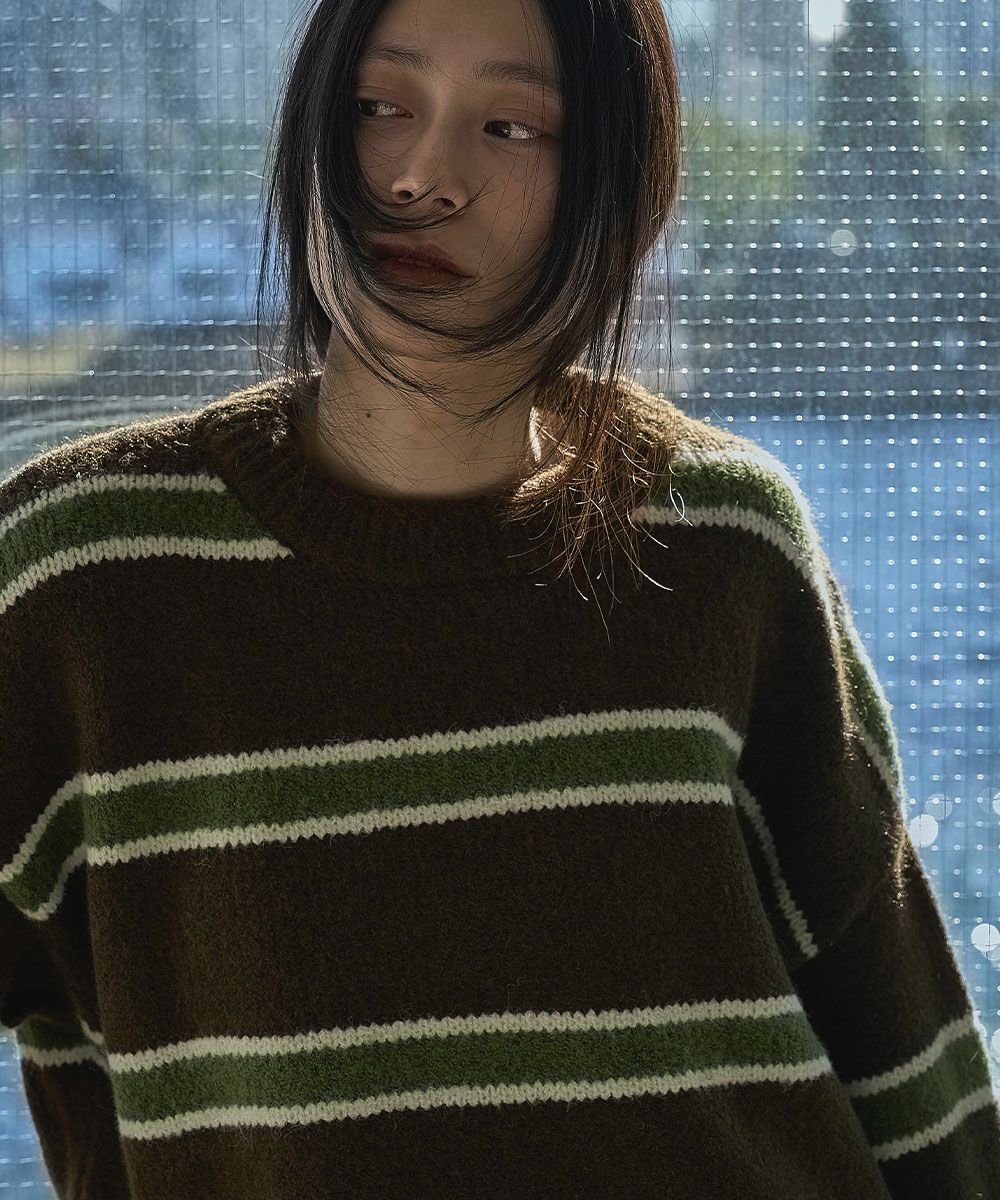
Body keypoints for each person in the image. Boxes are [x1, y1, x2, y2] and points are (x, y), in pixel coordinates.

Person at [0, 0, 997, 1197]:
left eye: (512, 127)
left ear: (614, 189)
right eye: (380, 106)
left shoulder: (723, 546)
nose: (423, 175)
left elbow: (909, 1065)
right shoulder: (78, 578)